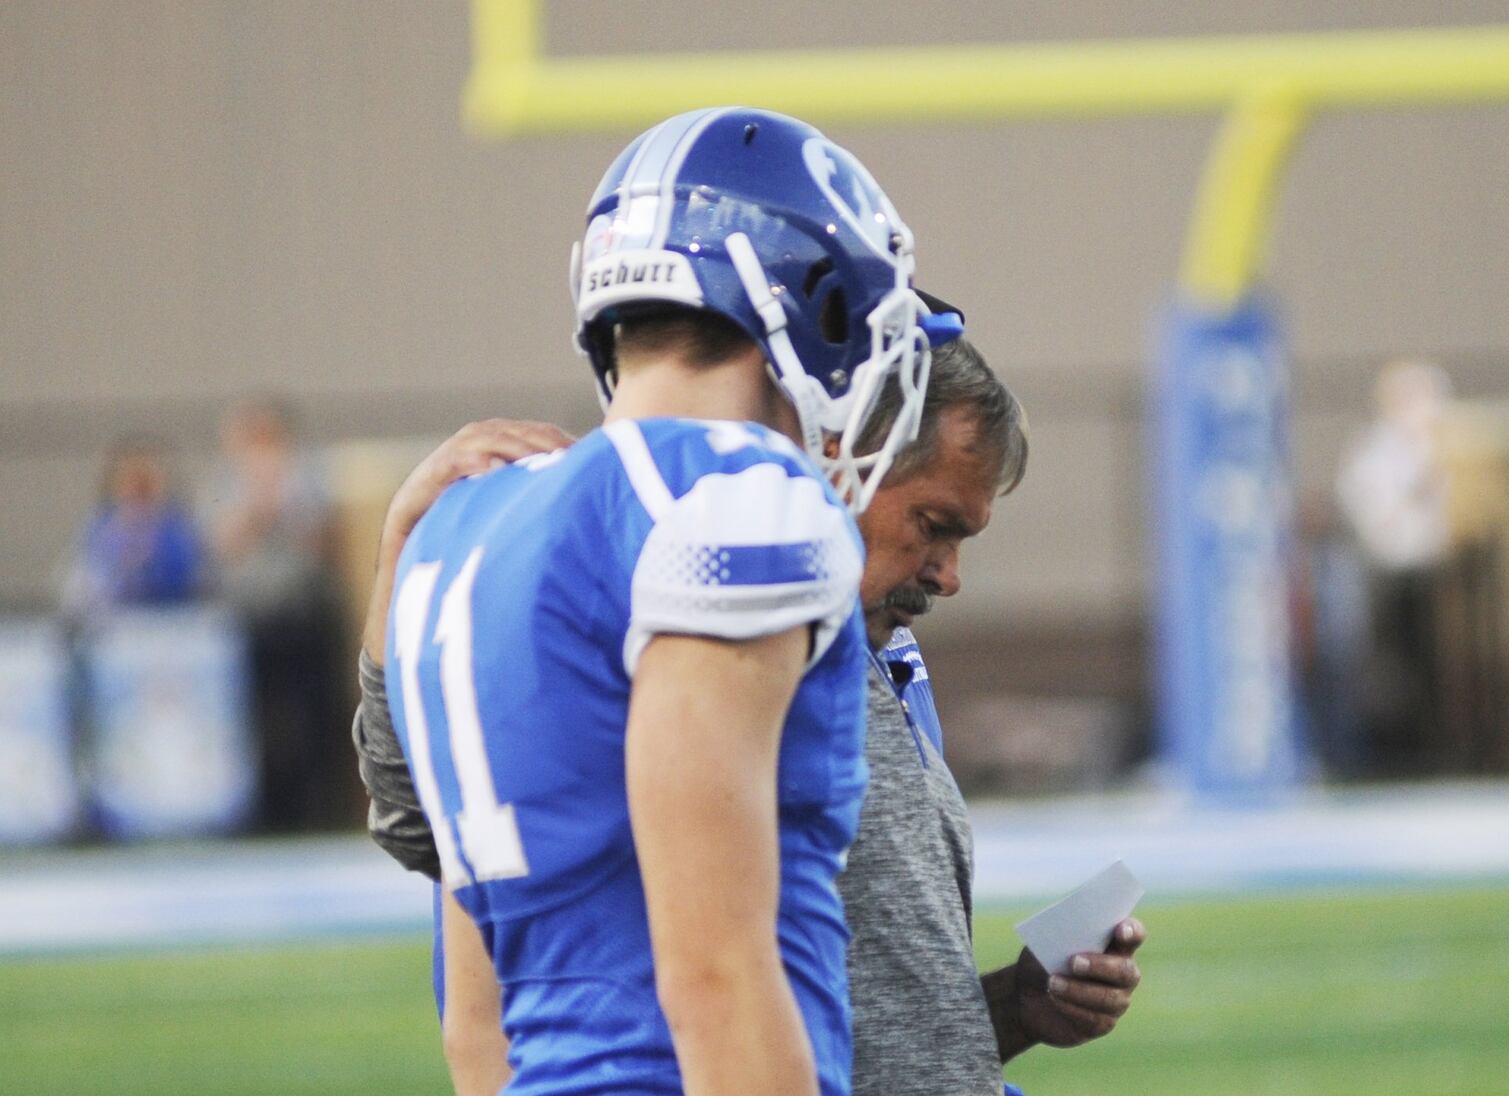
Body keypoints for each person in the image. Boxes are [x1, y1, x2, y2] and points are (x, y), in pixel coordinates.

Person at [355, 341, 1146, 1095]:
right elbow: (423, 833)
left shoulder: (873, 653)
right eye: (933, 526)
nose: (949, 576)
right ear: (844, 459)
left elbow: (850, 1018)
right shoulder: (689, 621)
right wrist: (403, 554)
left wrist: (1013, 1007)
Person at [372, 108, 936, 1095]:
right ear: (810, 304)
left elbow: (475, 1022)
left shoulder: (460, 525)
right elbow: (714, 975)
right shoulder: (734, 496)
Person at [207, 396, 348, 831]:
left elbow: (326, 546)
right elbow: (222, 546)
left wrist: (284, 503)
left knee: (313, 721)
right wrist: (256, 502)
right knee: (256, 721)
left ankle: (321, 811)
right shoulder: (225, 485)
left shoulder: (310, 480)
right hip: (250, 622)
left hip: (303, 618)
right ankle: (266, 813)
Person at [60, 434, 206, 614]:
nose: (138, 493)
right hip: (113, 622)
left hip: (171, 620)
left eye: (146, 485)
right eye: (132, 484)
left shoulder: (181, 531)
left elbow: (192, 581)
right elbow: (77, 588)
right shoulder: (99, 529)